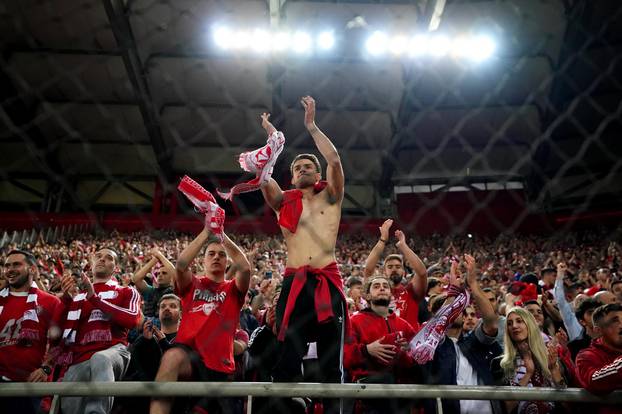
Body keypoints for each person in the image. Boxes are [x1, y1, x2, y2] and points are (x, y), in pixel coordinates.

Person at [259, 96, 346, 413]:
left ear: (317, 172)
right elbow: (263, 178)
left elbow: (334, 160)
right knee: (286, 358)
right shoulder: (284, 201)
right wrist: (272, 144)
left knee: (330, 364)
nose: (304, 169)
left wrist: (310, 126)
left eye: (309, 166)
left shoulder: (331, 195)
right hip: (294, 283)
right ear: (292, 177)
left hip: (326, 281)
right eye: (297, 167)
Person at [150, 226, 251, 414]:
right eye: (211, 254)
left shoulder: (233, 289)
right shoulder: (193, 284)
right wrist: (206, 231)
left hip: (218, 365)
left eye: (221, 255)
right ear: (203, 260)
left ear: (227, 261)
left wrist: (221, 235)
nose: (216, 257)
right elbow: (180, 265)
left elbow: (245, 268)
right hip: (190, 357)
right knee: (171, 357)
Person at [59, 248, 142, 414]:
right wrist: (65, 302)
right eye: (98, 256)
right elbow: (57, 335)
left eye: (108, 258)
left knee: (101, 358)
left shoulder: (127, 291)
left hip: (114, 351)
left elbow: (132, 319)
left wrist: (94, 299)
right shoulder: (77, 297)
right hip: (79, 358)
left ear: (116, 268)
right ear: (91, 264)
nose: (102, 259)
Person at [419, 254, 502, 414]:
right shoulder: (433, 345)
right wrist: (453, 292)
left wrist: (473, 284)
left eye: (458, 309)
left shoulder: (474, 342)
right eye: (450, 307)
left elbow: (491, 324)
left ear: (464, 317)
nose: (453, 311)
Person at [0, 249, 62, 414]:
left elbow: (60, 343)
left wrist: (46, 368)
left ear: (32, 269)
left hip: (28, 386)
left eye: (16, 264)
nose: (9, 269)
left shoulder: (50, 302)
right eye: (6, 266)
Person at [344, 276, 416, 414]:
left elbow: (415, 359)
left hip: (400, 395)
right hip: (368, 397)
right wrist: (366, 350)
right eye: (376, 286)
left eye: (385, 286)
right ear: (368, 295)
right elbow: (345, 356)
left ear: (391, 294)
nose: (382, 288)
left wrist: (405, 353)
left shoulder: (404, 325)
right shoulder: (354, 321)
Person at [497, 307, 565, 414]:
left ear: (530, 325)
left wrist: (554, 369)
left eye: (519, 321)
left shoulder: (548, 356)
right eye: (509, 323)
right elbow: (508, 407)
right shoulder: (501, 363)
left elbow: (566, 398)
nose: (514, 326)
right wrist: (528, 373)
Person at [363, 219, 427, 331]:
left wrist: (403, 246)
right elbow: (368, 269)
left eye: (398, 267)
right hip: (382, 344)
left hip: (408, 344)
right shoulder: (376, 292)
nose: (394, 269)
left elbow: (422, 273)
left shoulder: (411, 292)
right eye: (390, 267)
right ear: (383, 272)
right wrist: (382, 240)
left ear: (404, 272)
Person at [575, 303, 622, 413]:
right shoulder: (586, 356)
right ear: (598, 330)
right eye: (615, 321)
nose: (621, 325)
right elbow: (594, 381)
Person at [132, 248, 175, 319]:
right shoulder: (151, 291)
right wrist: (154, 260)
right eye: (158, 273)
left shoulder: (176, 291)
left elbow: (175, 275)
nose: (160, 275)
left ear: (171, 278)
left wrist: (160, 256)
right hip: (149, 327)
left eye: (164, 273)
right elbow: (136, 279)